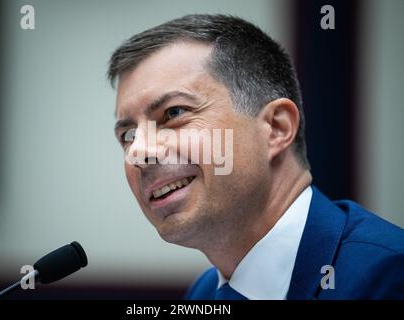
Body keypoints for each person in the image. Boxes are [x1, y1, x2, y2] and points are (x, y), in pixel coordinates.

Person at [107, 14, 404, 299]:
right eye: (128, 135)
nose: (139, 152)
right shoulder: (204, 292)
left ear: (276, 127)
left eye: (174, 113)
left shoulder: (388, 276)